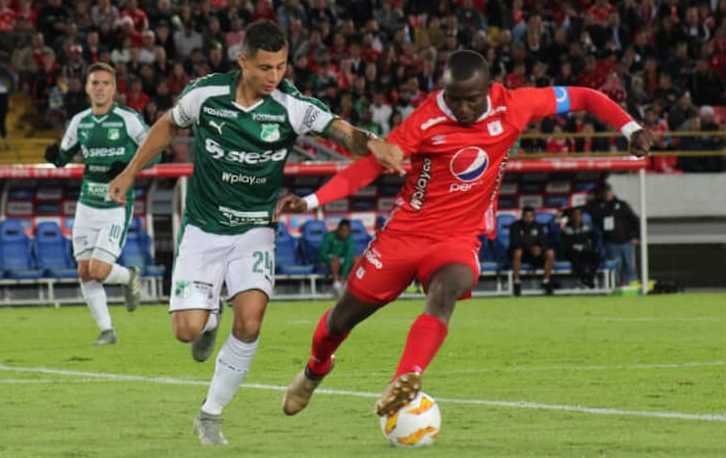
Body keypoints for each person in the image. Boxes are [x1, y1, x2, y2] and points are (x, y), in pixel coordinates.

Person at [275, 49, 654, 421]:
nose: (462, 108)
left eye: (471, 100)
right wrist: (310, 202)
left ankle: (406, 377)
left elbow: (584, 96)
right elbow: (370, 167)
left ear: (489, 87)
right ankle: (315, 370)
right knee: (340, 322)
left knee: (448, 289)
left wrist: (630, 127)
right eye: (453, 99)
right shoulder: (426, 120)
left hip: (458, 238)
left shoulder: (516, 105)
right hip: (403, 236)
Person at [108, 20, 405, 445]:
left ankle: (210, 415)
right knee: (187, 330)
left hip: (255, 229)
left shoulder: (289, 105)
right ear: (243, 61)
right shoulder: (206, 95)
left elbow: (339, 129)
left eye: (281, 67)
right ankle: (208, 318)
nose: (274, 77)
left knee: (249, 323)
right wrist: (129, 172)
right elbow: (167, 126)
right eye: (265, 68)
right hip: (203, 228)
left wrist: (373, 141)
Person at [44, 62, 151, 345]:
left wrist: (128, 168)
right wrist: (55, 157)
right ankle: (107, 330)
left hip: (115, 204)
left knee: (100, 271)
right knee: (84, 271)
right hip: (87, 202)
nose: (100, 88)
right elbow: (64, 156)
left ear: (114, 89)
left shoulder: (128, 119)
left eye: (105, 83)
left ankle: (129, 275)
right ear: (88, 89)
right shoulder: (80, 121)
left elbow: (155, 153)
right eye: (95, 83)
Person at [584, 183, 640, 286]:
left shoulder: (622, 205)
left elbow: (635, 220)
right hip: (611, 243)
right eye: (605, 192)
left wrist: (636, 236)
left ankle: (634, 286)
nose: (607, 194)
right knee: (616, 267)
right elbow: (582, 210)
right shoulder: (597, 206)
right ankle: (617, 286)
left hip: (626, 242)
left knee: (630, 266)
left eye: (609, 191)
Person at [508, 206, 555, 296]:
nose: (528, 218)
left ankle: (546, 281)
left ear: (534, 217)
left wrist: (540, 248)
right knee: (517, 252)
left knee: (550, 253)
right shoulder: (515, 226)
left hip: (536, 255)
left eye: (531, 216)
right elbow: (514, 243)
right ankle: (517, 282)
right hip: (523, 255)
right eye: (526, 216)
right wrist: (530, 248)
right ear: (522, 216)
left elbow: (544, 242)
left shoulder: (539, 227)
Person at [559, 208, 602, 288]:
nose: (577, 217)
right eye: (575, 215)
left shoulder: (587, 228)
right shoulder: (566, 229)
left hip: (584, 251)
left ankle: (590, 277)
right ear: (571, 217)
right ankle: (584, 278)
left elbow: (595, 238)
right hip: (572, 252)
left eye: (579, 215)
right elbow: (564, 244)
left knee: (596, 257)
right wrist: (574, 247)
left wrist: (588, 247)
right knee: (575, 258)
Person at [318, 219, 356, 295]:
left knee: (357, 259)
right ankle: (336, 283)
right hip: (328, 260)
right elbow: (322, 254)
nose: (344, 232)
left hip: (342, 260)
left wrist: (343, 275)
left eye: (347, 230)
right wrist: (330, 259)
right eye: (342, 230)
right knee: (335, 261)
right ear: (338, 229)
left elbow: (348, 256)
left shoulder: (350, 239)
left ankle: (350, 283)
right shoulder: (330, 236)